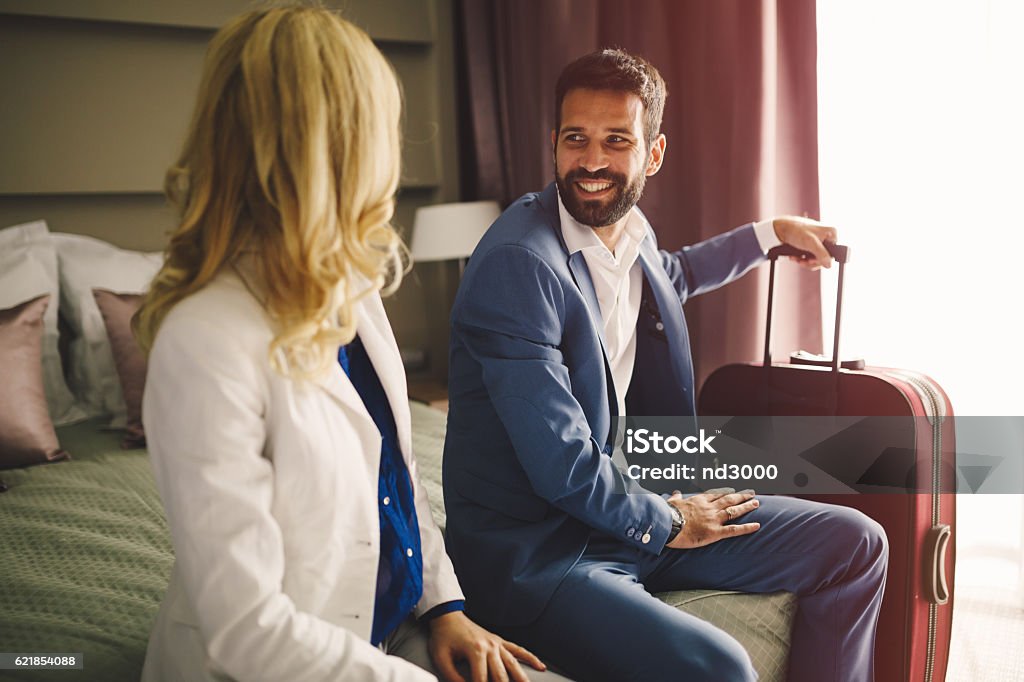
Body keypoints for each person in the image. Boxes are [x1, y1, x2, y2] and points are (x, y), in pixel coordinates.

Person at [133, 7, 562, 681]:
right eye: (381, 127)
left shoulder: (350, 284)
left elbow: (396, 474)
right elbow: (247, 633)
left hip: (391, 630)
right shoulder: (203, 340)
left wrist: (443, 605)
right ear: (333, 145)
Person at [443, 48, 888, 682]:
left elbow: (671, 275)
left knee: (854, 543)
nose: (592, 162)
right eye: (577, 139)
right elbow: (563, 464)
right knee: (722, 665)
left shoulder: (626, 227)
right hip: (547, 552)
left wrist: (768, 235)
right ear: (554, 144)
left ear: (652, 154)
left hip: (633, 507)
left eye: (616, 141)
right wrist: (675, 521)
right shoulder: (518, 264)